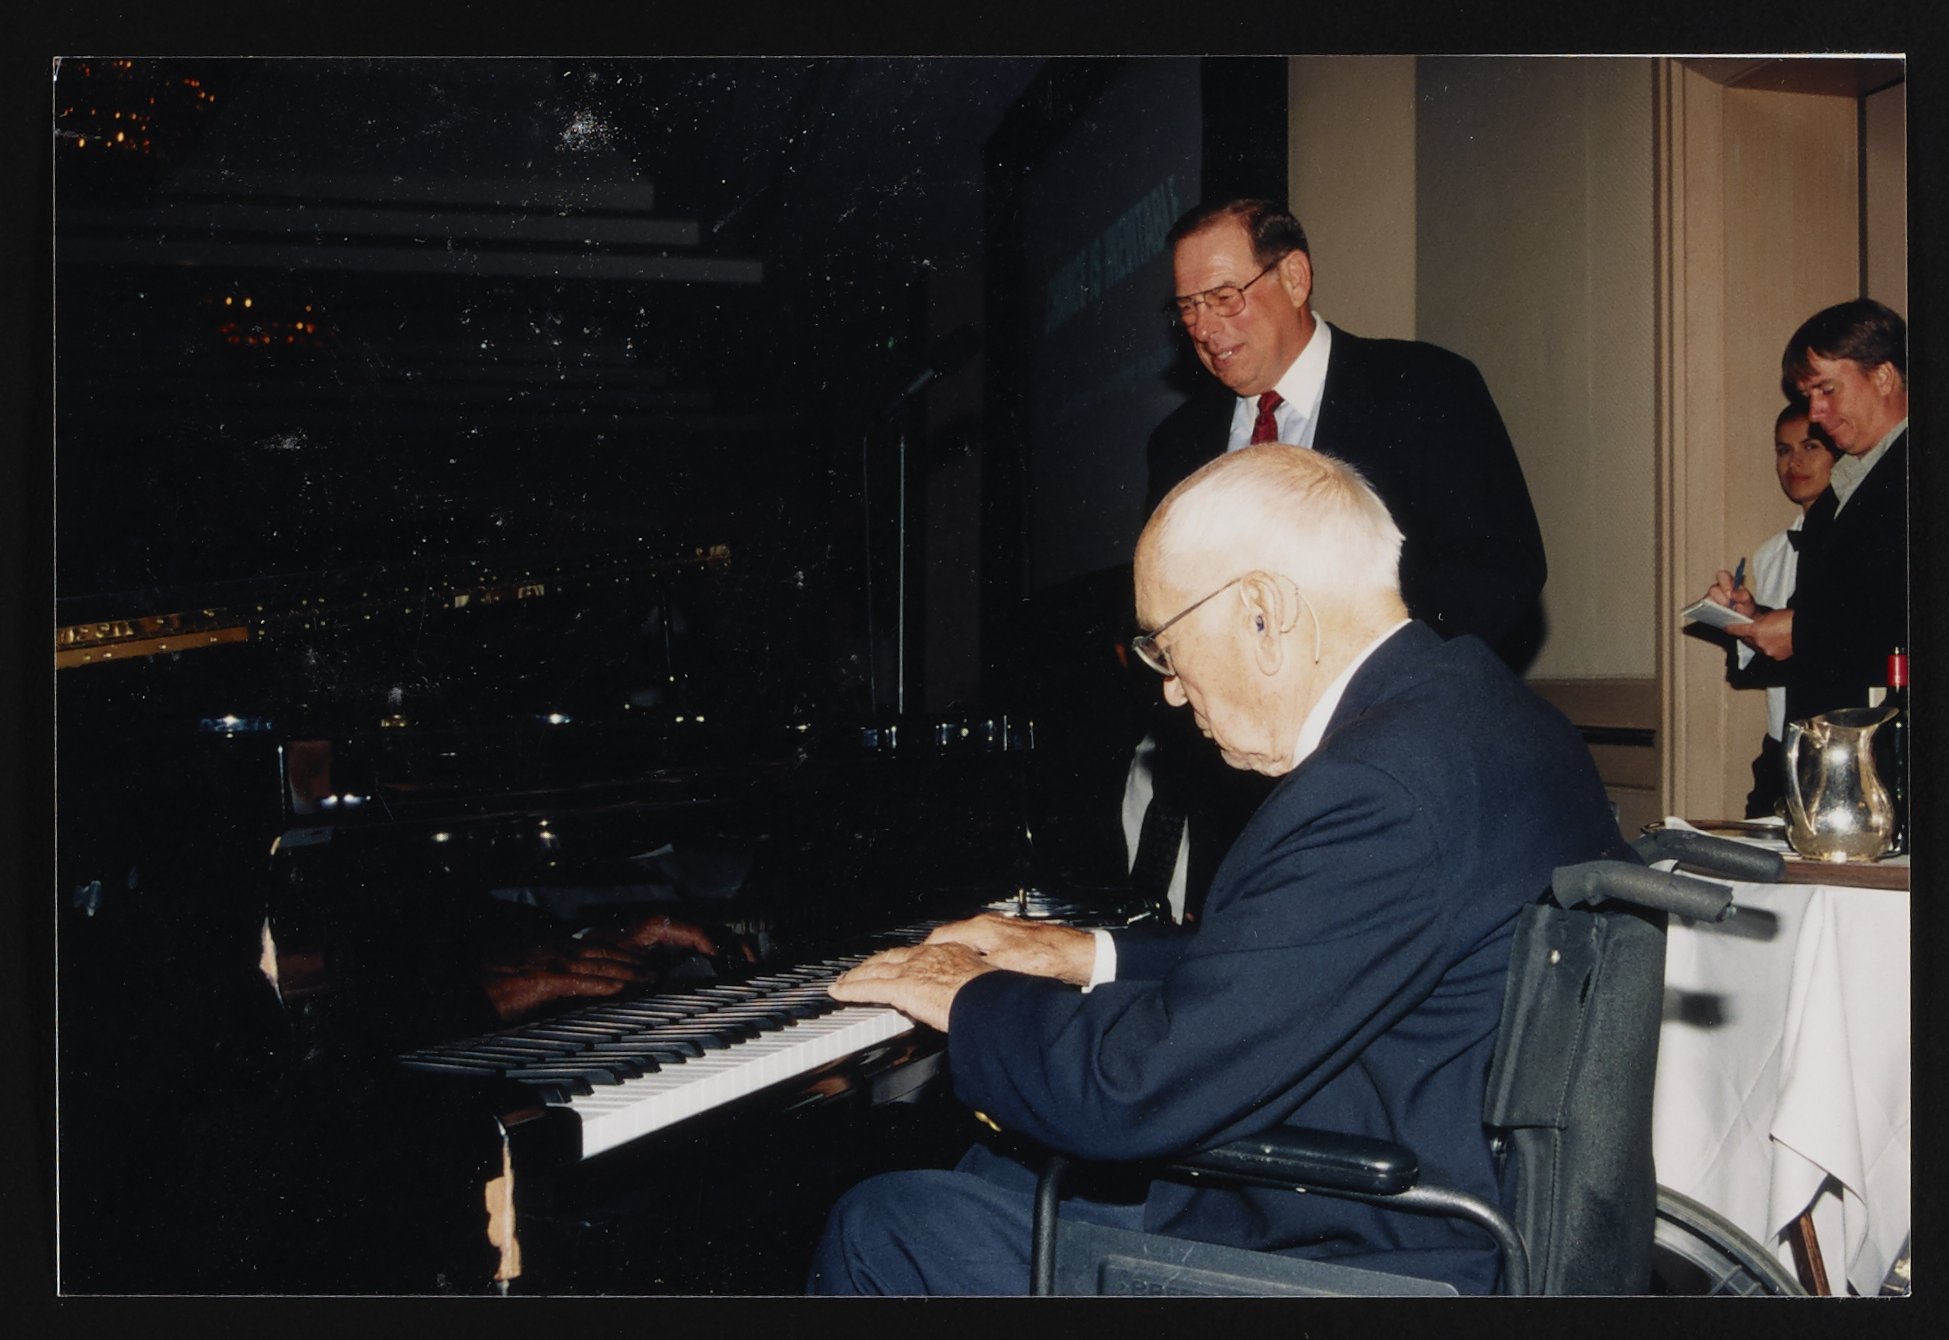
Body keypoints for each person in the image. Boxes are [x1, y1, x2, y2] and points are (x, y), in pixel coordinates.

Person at [807, 446, 1627, 1296]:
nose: (1168, 690)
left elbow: (1131, 1090)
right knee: (993, 1172)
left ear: (1262, 612)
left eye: (1165, 645)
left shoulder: (1374, 787)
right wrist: (1091, 954)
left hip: (1377, 1253)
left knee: (885, 1226)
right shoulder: (1485, 715)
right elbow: (1311, 956)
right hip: (1434, 1177)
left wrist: (968, 995)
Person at [1127, 197, 1548, 921]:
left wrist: (1356, 698)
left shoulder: (1425, 387)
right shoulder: (1177, 443)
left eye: (1223, 296)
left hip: (1400, 781)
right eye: (1187, 307)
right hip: (1238, 812)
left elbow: (1502, 572)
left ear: (1294, 277)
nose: (1202, 326)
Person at [1707, 299, 1909, 727]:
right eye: (1808, 396)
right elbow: (1844, 613)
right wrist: (1756, 619)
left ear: (1883, 377)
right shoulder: (1838, 491)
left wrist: (1801, 632)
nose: (1815, 413)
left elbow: (1911, 617)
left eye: (1827, 390)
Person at [1697, 405, 1838, 816]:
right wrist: (1744, 619)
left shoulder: (1852, 543)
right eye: (1783, 450)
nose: (1794, 463)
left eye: (1810, 447)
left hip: (1833, 743)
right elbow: (1761, 665)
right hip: (1780, 745)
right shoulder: (1769, 554)